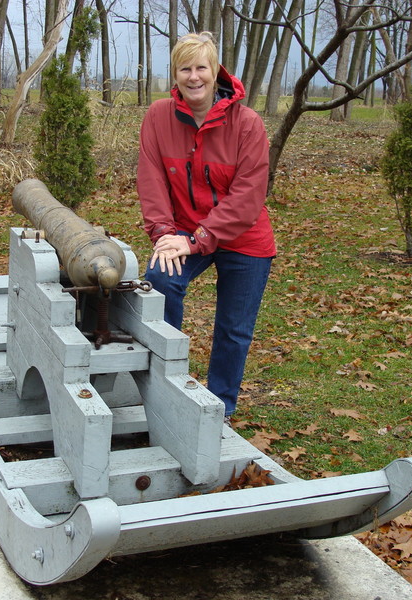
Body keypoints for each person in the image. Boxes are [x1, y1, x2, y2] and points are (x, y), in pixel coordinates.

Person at [137, 32, 276, 421]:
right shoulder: (158, 116)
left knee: (233, 329)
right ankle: (164, 384)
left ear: (215, 72)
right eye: (185, 68)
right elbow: (151, 180)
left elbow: (247, 199)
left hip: (243, 237)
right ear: (175, 74)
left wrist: (198, 240)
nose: (194, 77)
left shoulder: (247, 124)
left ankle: (218, 410)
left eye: (201, 68)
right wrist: (164, 233)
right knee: (160, 283)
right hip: (181, 229)